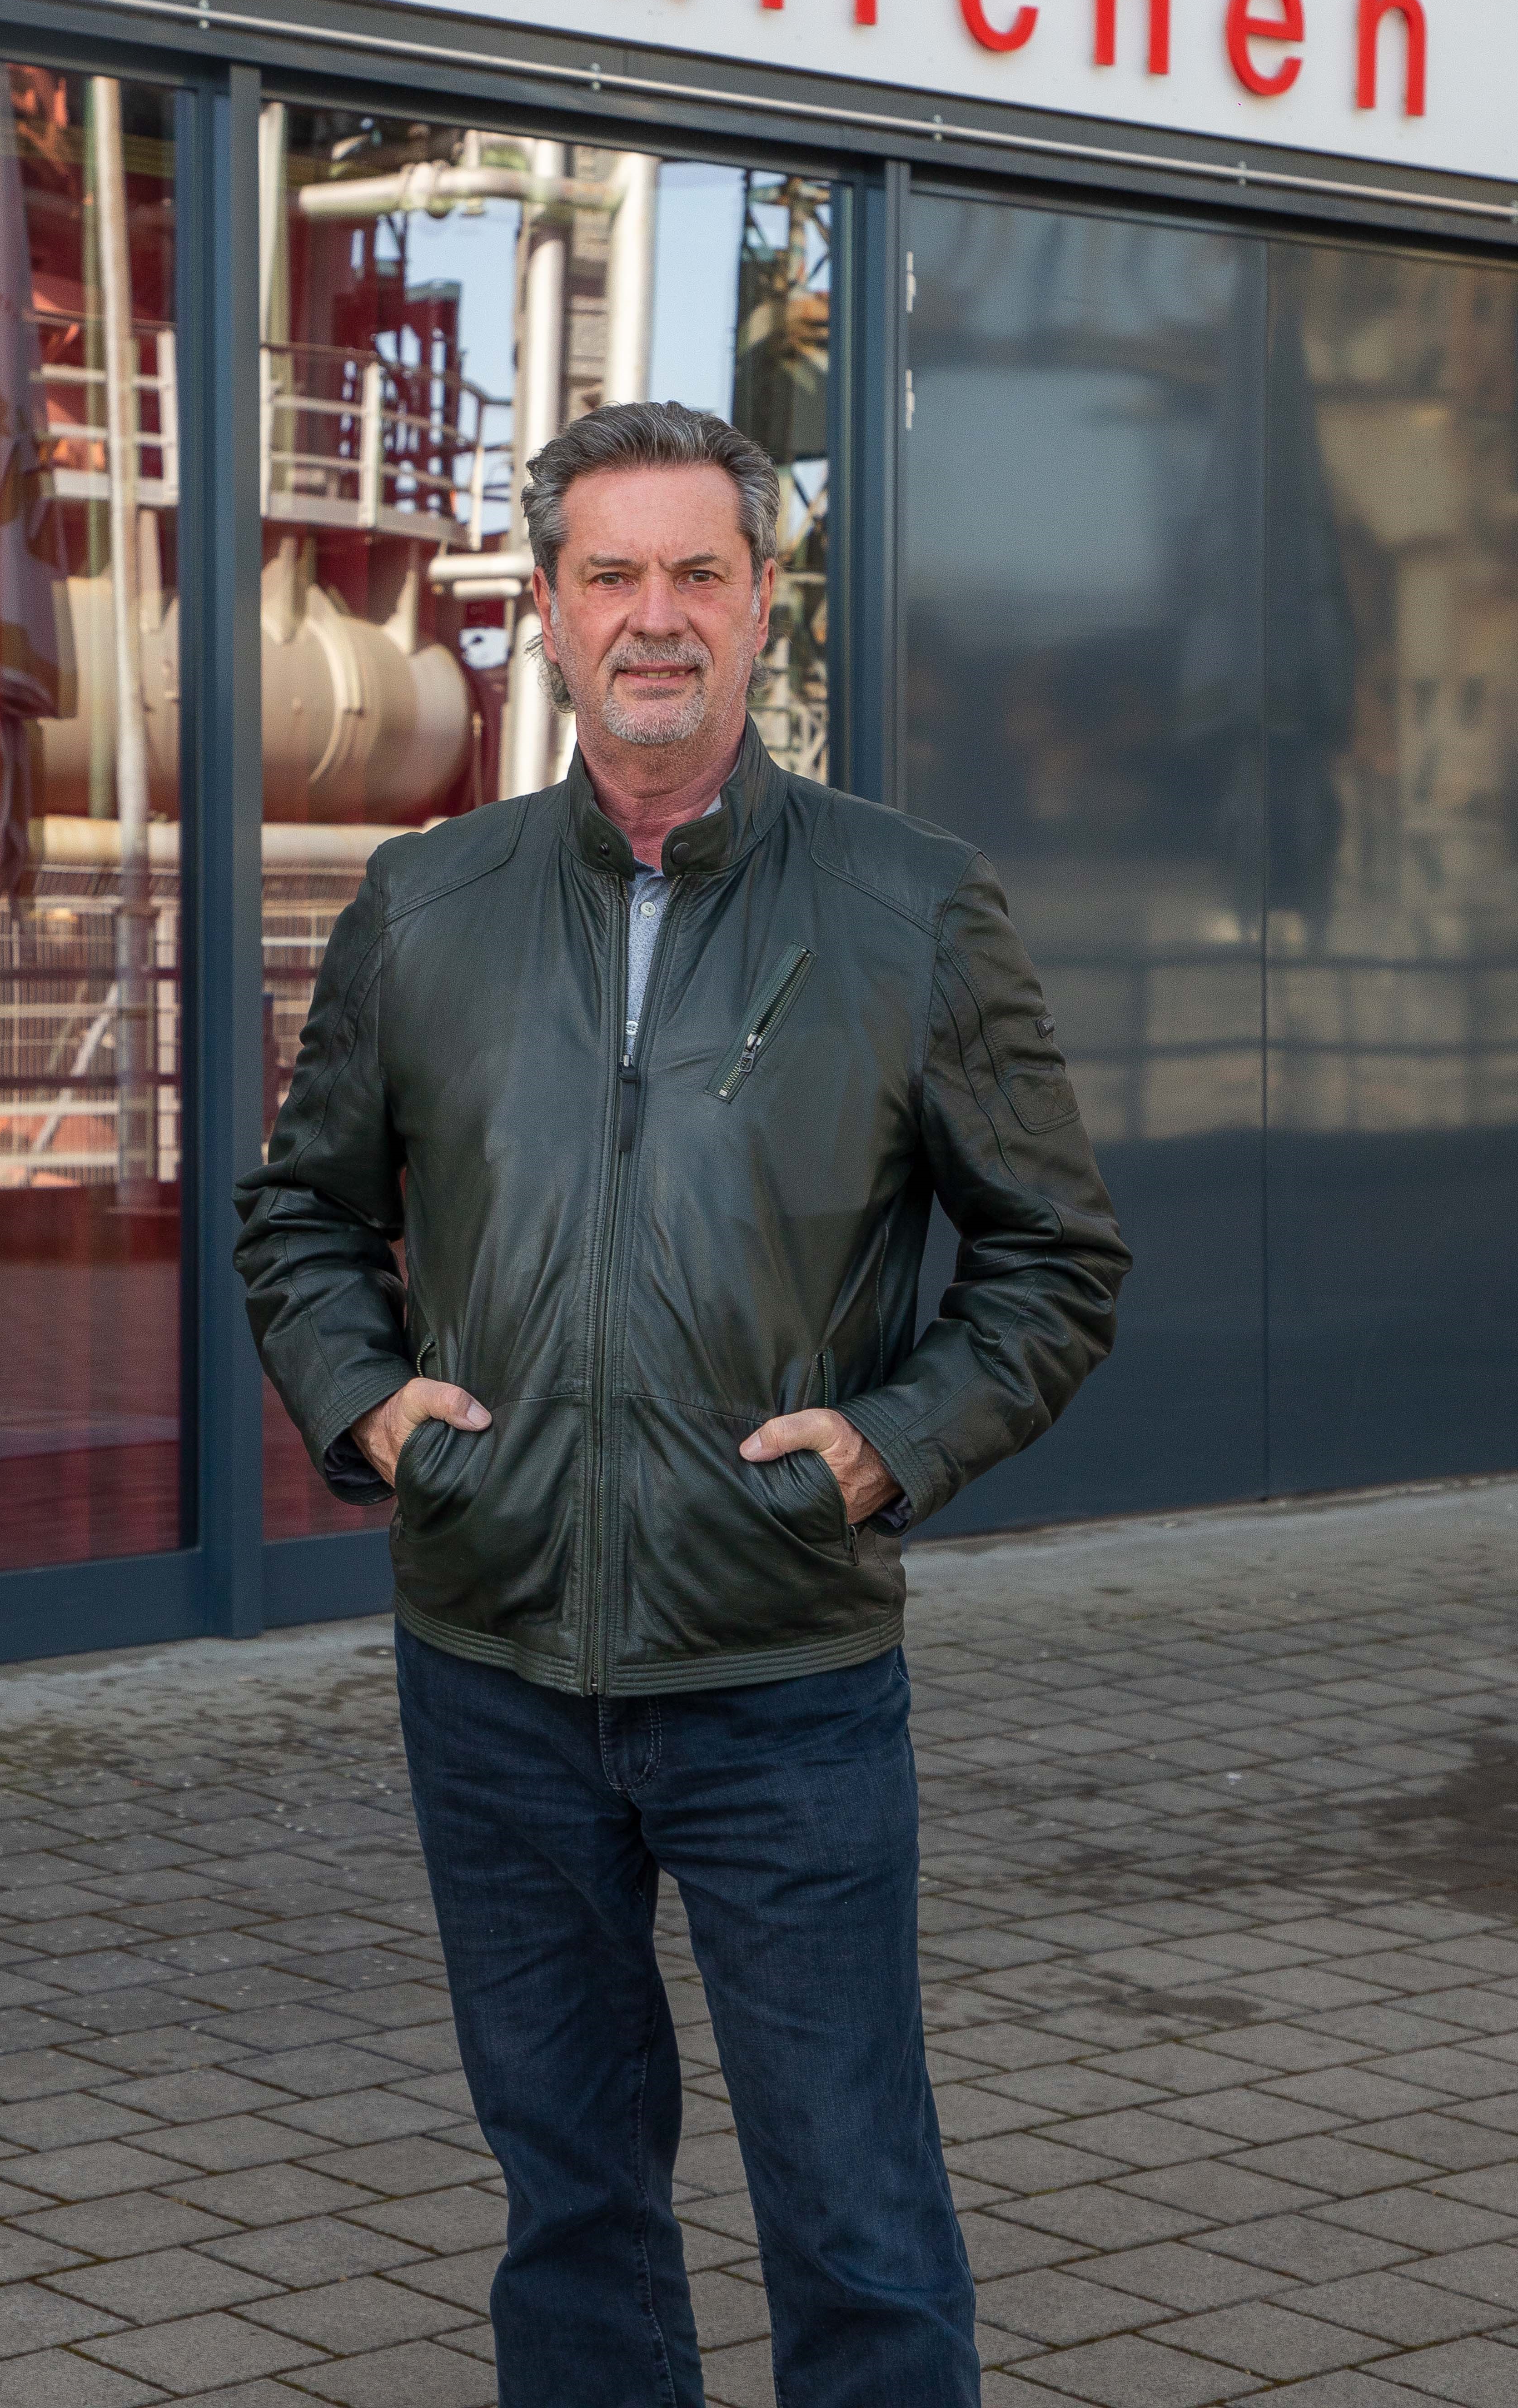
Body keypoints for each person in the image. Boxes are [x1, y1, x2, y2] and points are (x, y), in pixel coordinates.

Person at [236, 402, 1130, 2408]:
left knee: (854, 2212)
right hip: (492, 1668)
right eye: (613, 576)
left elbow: (1056, 1257)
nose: (658, 617)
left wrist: (893, 1443)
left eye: (698, 574)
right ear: (543, 614)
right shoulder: (425, 903)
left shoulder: (909, 908)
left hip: (782, 1675)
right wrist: (373, 1412)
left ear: (758, 605)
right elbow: (296, 1218)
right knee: (567, 2200)